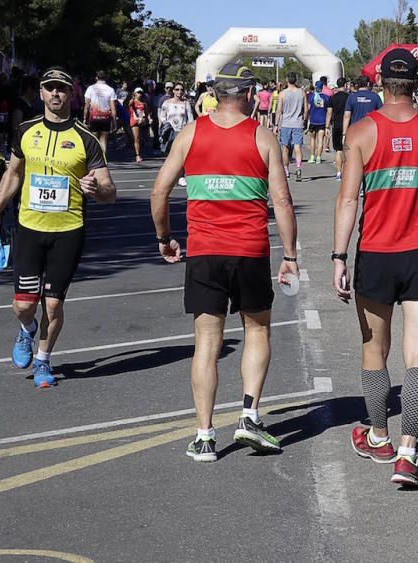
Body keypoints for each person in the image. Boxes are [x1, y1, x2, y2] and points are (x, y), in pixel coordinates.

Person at [150, 63, 299, 460]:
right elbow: (282, 201)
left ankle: (203, 436)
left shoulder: (191, 133)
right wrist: (291, 255)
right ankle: (249, 416)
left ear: (215, 94)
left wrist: (164, 238)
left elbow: (159, 191)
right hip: (249, 251)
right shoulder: (263, 136)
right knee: (257, 331)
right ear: (249, 95)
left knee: (206, 343)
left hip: (204, 252)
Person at [333, 48, 418, 488]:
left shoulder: (362, 132)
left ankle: (379, 436)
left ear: (380, 84)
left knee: (375, 349)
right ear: (417, 84)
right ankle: (408, 455)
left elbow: (349, 199)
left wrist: (338, 256)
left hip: (376, 252)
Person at [0, 67, 116, 388]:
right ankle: (27, 330)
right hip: (30, 228)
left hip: (68, 230)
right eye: (50, 89)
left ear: (71, 94)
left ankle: (44, 360)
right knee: (24, 305)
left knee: (54, 303)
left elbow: (109, 191)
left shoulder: (86, 138)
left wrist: (96, 190)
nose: (56, 94)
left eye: (62, 89)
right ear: (41, 93)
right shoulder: (26, 130)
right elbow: (13, 174)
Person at [277, 72, 307, 182]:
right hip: (298, 123)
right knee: (297, 147)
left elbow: (279, 110)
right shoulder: (302, 93)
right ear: (296, 80)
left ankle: (286, 170)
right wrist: (304, 120)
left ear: (286, 79)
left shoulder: (282, 94)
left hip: (286, 123)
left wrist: (276, 124)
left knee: (285, 148)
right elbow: (306, 109)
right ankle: (298, 168)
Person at [83, 71, 117, 153]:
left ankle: (94, 160)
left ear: (96, 78)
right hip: (105, 117)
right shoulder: (110, 90)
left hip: (94, 117)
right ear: (106, 78)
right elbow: (113, 107)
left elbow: (87, 105)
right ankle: (103, 160)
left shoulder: (90, 88)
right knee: (103, 140)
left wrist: (84, 118)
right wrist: (115, 121)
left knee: (94, 140)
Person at [158, 83, 194, 157]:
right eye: (177, 89)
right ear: (173, 91)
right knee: (170, 154)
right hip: (170, 132)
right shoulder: (167, 102)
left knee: (180, 155)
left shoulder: (186, 103)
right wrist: (166, 125)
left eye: (181, 90)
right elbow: (162, 116)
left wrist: (189, 130)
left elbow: (190, 118)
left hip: (181, 132)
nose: (179, 91)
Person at [328, 77, 350, 180]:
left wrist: (327, 126)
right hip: (347, 125)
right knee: (347, 150)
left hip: (336, 125)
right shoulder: (349, 97)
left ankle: (338, 173)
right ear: (345, 85)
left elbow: (329, 113)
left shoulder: (333, 98)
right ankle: (346, 172)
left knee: (338, 150)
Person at [306, 81, 330, 164]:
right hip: (322, 121)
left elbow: (308, 108)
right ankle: (319, 157)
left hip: (313, 120)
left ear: (315, 87)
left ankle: (312, 157)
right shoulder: (326, 97)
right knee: (320, 140)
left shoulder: (311, 96)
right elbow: (328, 109)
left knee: (312, 139)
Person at [127, 87, 150, 163]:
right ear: (135, 94)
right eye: (138, 93)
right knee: (136, 138)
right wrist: (133, 98)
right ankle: (138, 155)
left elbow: (146, 112)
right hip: (134, 121)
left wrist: (147, 119)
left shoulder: (144, 103)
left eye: (140, 93)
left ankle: (139, 149)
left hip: (142, 121)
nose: (139, 94)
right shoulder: (133, 102)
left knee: (143, 137)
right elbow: (129, 104)